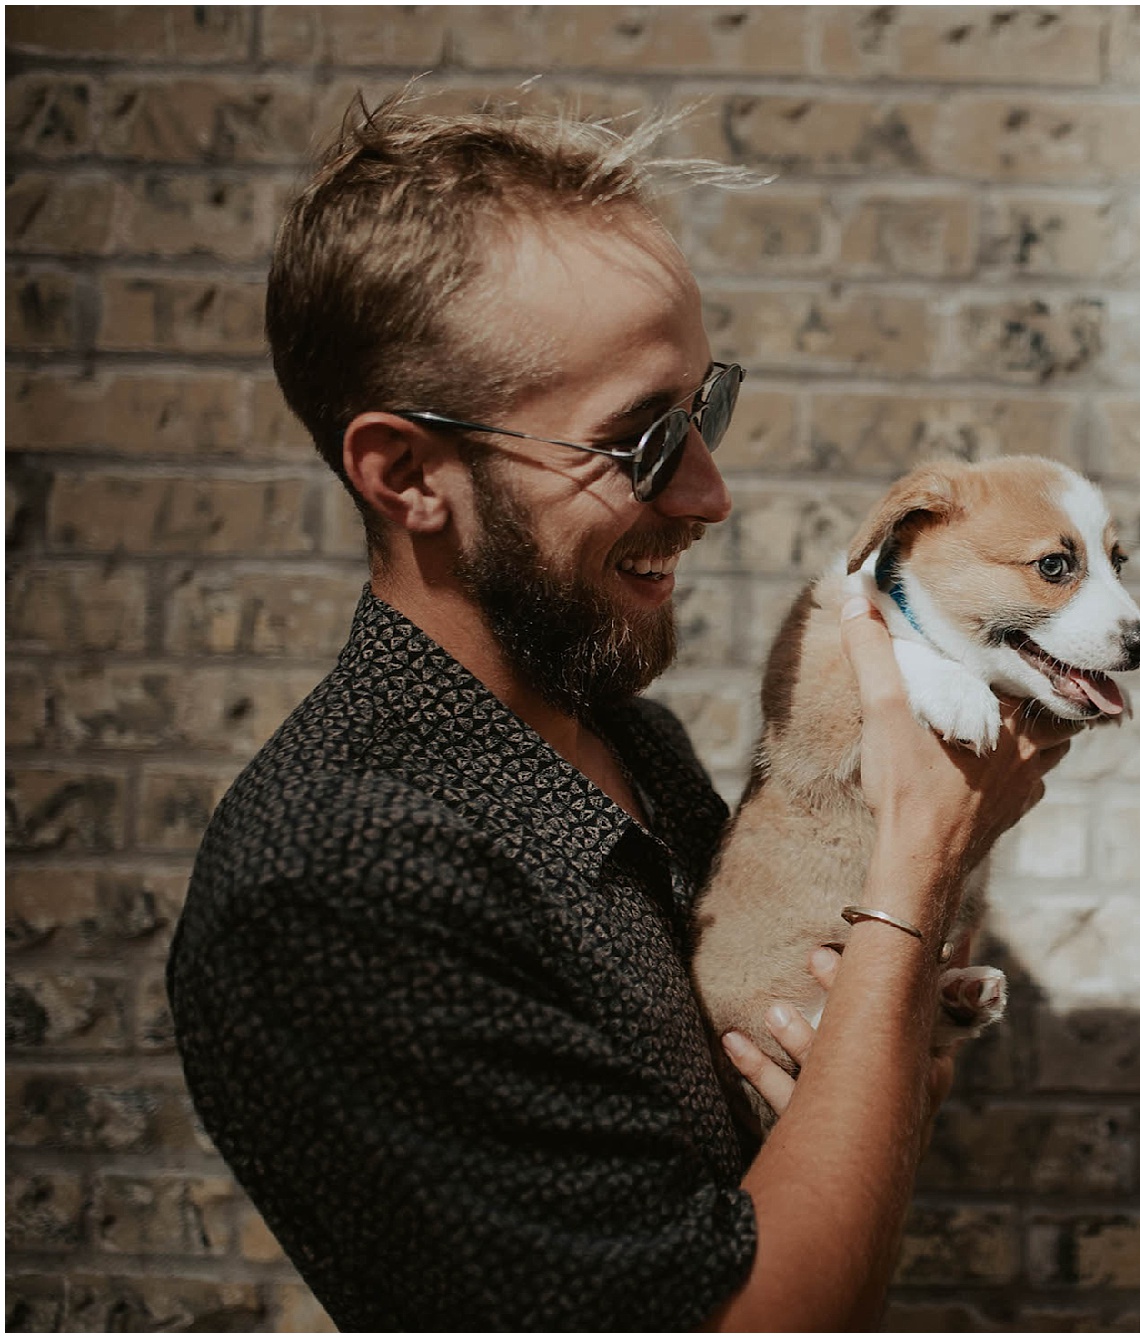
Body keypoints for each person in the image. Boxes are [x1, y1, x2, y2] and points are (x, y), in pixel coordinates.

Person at [166, 95, 1069, 1330]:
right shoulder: (335, 879)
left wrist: (864, 1055)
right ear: (407, 473)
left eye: (705, 409)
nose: (708, 492)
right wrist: (922, 860)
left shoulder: (625, 737)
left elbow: (807, 1133)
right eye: (640, 441)